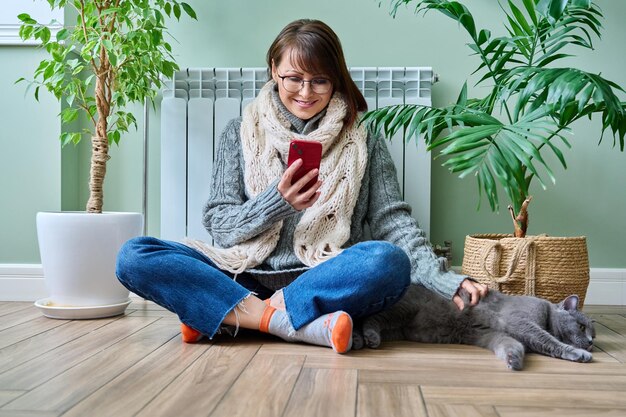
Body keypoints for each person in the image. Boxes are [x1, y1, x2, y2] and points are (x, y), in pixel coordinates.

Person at [115, 19, 487, 354]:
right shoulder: (238, 133)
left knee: (388, 261)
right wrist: (276, 202)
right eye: (294, 77)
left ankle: (232, 315)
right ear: (275, 70)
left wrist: (443, 278)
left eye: (320, 80)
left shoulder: (364, 139)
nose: (306, 92)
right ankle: (285, 321)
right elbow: (220, 225)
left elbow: (393, 222)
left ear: (335, 80)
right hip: (244, 272)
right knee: (134, 255)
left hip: (324, 277)